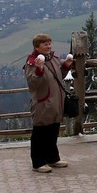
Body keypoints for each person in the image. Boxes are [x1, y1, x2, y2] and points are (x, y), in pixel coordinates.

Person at [24, 33, 73, 173]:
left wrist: (66, 67)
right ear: (37, 46)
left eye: (49, 43)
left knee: (53, 131)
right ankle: (38, 162)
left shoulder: (54, 59)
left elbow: (59, 77)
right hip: (43, 102)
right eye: (45, 44)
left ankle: (53, 158)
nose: (48, 46)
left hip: (56, 102)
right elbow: (33, 83)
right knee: (40, 132)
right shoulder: (32, 62)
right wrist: (39, 70)